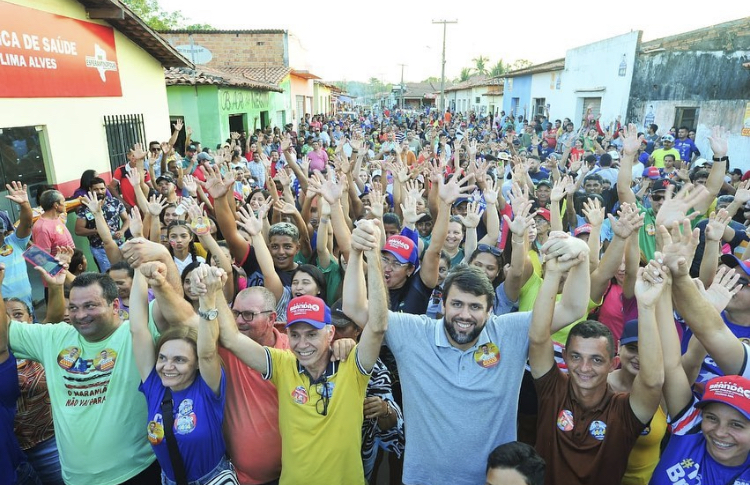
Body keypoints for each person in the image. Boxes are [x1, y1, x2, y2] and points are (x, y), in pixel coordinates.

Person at [343, 227, 590, 485]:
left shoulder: (509, 331)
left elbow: (573, 308)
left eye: (475, 307)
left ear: (491, 310)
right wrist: (358, 252)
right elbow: (355, 307)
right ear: (442, 303)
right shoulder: (414, 332)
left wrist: (581, 255)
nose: (464, 315)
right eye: (457, 304)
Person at [217, 218, 388, 485]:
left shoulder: (352, 367)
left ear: (330, 333)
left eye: (312, 334)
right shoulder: (283, 364)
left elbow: (376, 327)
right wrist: (213, 289)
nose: (302, 343)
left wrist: (373, 255)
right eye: (294, 335)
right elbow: (229, 337)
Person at [6, 271, 175, 484]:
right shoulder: (53, 337)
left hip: (138, 472)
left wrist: (158, 263)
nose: (80, 315)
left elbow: (176, 312)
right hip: (76, 479)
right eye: (74, 308)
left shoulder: (136, 332)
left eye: (90, 305)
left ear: (115, 306)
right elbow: (5, 331)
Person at [528, 249, 665, 485]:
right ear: (565, 358)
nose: (584, 367)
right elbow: (539, 338)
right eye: (576, 357)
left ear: (613, 363)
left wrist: (647, 307)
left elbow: (652, 381)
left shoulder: (623, 412)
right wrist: (552, 275)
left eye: (596, 359)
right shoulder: (553, 389)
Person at [130, 263, 237, 485]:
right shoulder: (155, 385)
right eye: (163, 358)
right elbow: (138, 328)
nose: (167, 366)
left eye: (179, 360)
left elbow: (207, 354)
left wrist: (208, 300)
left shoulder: (208, 389)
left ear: (196, 364)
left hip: (212, 479)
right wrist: (140, 273)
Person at [75, 177, 129, 272]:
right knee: (108, 274)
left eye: (102, 188)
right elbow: (78, 230)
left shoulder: (115, 203)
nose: (99, 191)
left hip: (119, 245)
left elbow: (126, 220)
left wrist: (122, 231)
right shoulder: (85, 208)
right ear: (90, 190)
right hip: (99, 248)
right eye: (96, 189)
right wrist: (97, 230)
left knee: (124, 271)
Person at [31, 190, 74, 258]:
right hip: (61, 266)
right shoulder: (42, 228)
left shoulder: (57, 218)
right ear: (56, 205)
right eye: (63, 201)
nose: (65, 204)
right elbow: (44, 258)